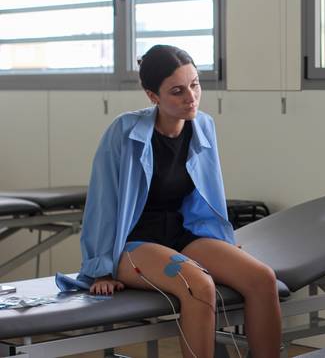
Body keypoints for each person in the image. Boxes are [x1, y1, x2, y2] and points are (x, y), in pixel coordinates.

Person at [57, 45, 281, 358]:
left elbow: (207, 193)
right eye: (177, 91)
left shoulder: (203, 126)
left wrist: (221, 242)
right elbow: (102, 205)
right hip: (134, 244)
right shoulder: (123, 132)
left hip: (182, 235)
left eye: (195, 84)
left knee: (262, 279)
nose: (191, 97)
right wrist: (100, 269)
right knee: (198, 286)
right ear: (153, 96)